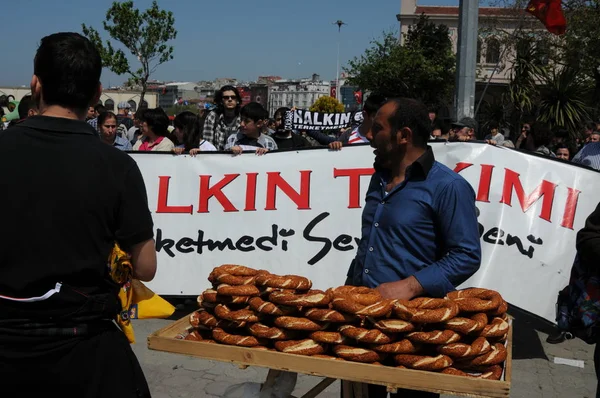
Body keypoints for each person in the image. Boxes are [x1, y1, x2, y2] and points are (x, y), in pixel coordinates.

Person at [0, 32, 156, 397]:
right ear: (98, 93)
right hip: (84, 354)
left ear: (35, 85)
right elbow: (146, 266)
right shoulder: (118, 167)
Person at [347, 98, 481, 398]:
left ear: (403, 135)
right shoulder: (379, 178)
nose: (369, 135)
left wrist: (411, 285)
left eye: (378, 128)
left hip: (417, 330)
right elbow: (369, 243)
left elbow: (467, 254)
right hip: (366, 321)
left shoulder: (448, 187)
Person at [203, 85, 242, 150]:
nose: (230, 99)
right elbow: (208, 145)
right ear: (221, 101)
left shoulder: (242, 116)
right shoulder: (213, 116)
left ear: (237, 100)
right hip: (218, 157)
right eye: (226, 97)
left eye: (233, 97)